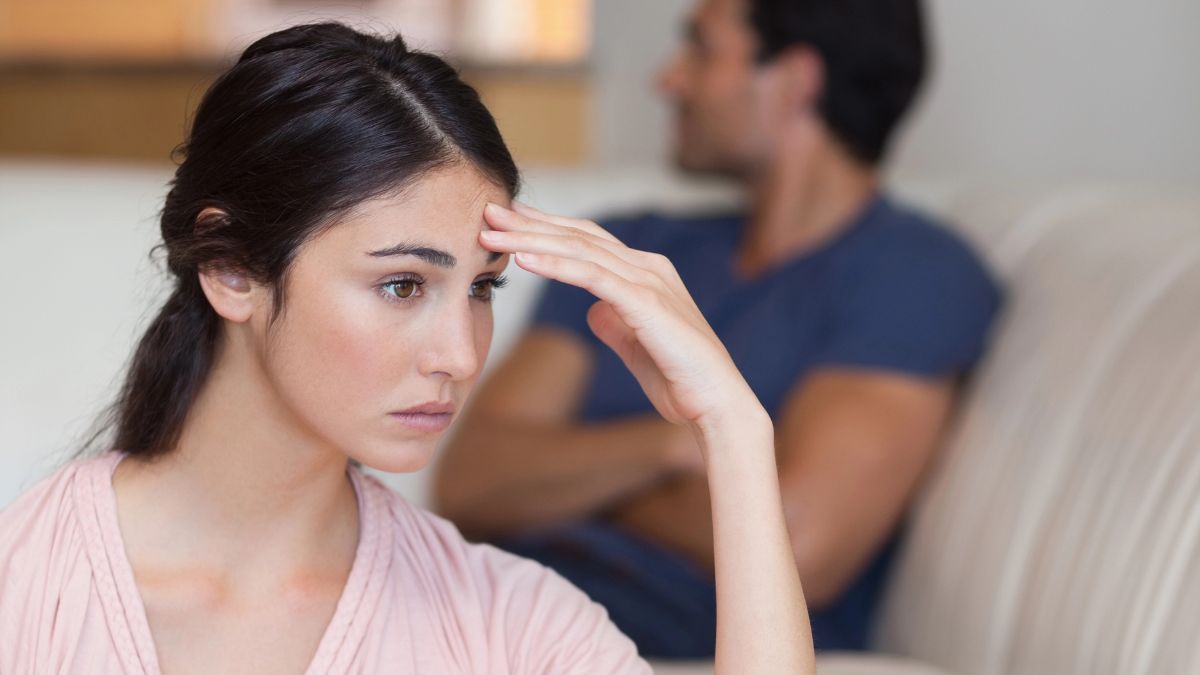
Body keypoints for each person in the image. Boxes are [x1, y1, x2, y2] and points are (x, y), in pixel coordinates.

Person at [0, 23, 814, 674]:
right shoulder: (27, 584)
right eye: (402, 286)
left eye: (483, 287)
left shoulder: (507, 622)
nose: (461, 355)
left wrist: (735, 430)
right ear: (231, 269)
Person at [434, 0, 1002, 658]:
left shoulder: (913, 274)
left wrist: (567, 481)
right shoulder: (631, 246)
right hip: (489, 589)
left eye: (701, 50)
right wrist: (677, 445)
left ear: (794, 79)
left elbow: (802, 541)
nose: (667, 80)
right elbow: (471, 477)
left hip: (663, 630)